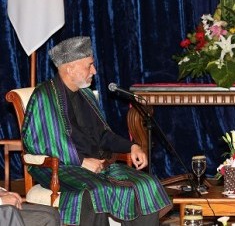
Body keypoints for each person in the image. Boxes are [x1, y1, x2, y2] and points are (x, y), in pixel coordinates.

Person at [21, 36, 172, 225]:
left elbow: (102, 135)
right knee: (96, 192)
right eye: (89, 65)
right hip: (60, 167)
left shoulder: (86, 95)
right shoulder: (44, 96)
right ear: (70, 68)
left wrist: (132, 146)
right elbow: (39, 143)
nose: (94, 71)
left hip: (96, 165)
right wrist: (81, 162)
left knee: (146, 184)